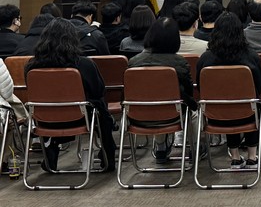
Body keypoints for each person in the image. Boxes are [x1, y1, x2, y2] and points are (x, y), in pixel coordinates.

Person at [25, 18, 117, 172]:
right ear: (73, 39)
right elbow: (98, 90)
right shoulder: (84, 64)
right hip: (80, 118)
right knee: (99, 105)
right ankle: (108, 152)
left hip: (44, 120)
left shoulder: (31, 67)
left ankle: (51, 146)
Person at [197, 13, 261, 169]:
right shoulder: (251, 56)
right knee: (251, 103)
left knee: (227, 104)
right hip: (248, 114)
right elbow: (260, 85)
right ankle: (252, 157)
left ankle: (235, 158)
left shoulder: (205, 59)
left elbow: (201, 87)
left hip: (215, 116)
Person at [129, 17, 198, 162]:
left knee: (155, 103)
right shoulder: (179, 63)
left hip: (138, 115)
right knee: (191, 113)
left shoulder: (134, 62)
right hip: (173, 115)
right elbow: (189, 92)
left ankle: (161, 147)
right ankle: (195, 148)